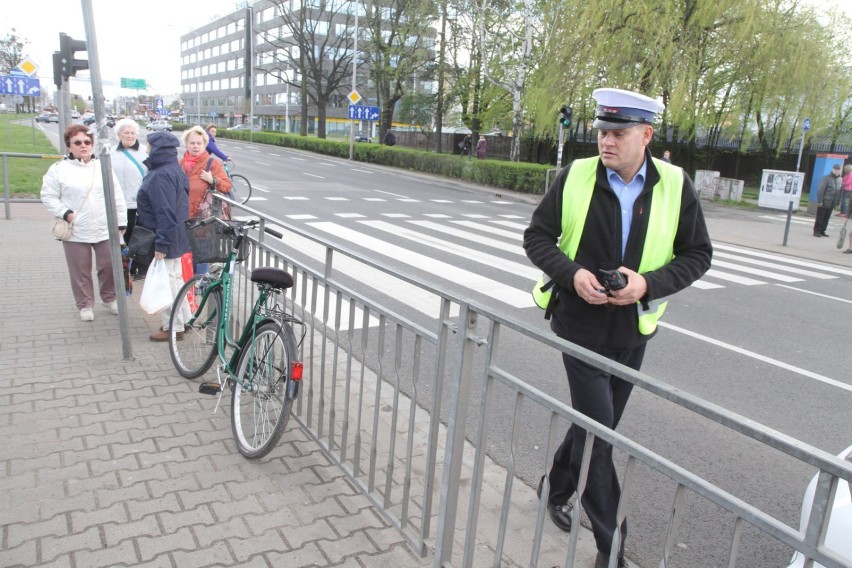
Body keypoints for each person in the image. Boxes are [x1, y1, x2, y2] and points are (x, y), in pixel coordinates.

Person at [524, 87, 712, 568]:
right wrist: (573, 274)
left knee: (595, 424)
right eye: (603, 132)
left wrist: (646, 284)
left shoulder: (674, 184)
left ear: (646, 135)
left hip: (633, 331)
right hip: (579, 327)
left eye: (618, 133)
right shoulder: (577, 176)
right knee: (603, 438)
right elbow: (537, 237)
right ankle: (611, 547)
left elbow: (698, 255)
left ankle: (555, 488)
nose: (607, 142)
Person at [41, 124, 128, 322]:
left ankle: (109, 297)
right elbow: (48, 195)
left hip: (104, 227)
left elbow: (117, 196)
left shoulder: (103, 167)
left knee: (108, 265)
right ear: (69, 146)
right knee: (80, 269)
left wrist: (121, 222)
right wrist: (65, 213)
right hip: (76, 229)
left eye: (87, 142)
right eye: (77, 142)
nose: (83, 146)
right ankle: (85, 304)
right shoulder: (59, 170)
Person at [135, 132, 192, 342]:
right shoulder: (173, 170)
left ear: (157, 149)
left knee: (167, 283)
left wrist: (161, 243)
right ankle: (184, 321)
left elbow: (164, 212)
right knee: (176, 279)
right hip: (177, 234)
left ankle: (173, 327)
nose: (147, 149)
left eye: (149, 146)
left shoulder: (160, 175)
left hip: (167, 236)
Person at [110, 118, 149, 280]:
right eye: (126, 132)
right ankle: (125, 267)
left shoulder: (144, 151)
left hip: (138, 202)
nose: (129, 136)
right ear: (119, 135)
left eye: (132, 133)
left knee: (138, 235)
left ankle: (140, 267)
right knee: (122, 235)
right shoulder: (111, 152)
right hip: (119, 203)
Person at [180, 125, 232, 220]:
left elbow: (227, 186)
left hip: (203, 220)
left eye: (199, 143)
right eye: (192, 143)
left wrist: (213, 180)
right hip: (182, 218)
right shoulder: (180, 164)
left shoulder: (212, 163)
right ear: (186, 144)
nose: (195, 146)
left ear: (204, 145)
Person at [812, 163, 843, 238]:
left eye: (838, 169)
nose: (837, 171)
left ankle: (822, 230)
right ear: (833, 169)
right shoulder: (826, 178)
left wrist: (838, 201)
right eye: (835, 169)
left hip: (832, 202)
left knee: (826, 218)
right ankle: (817, 231)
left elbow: (840, 191)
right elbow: (820, 190)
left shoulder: (840, 179)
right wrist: (820, 201)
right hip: (824, 201)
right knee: (820, 217)